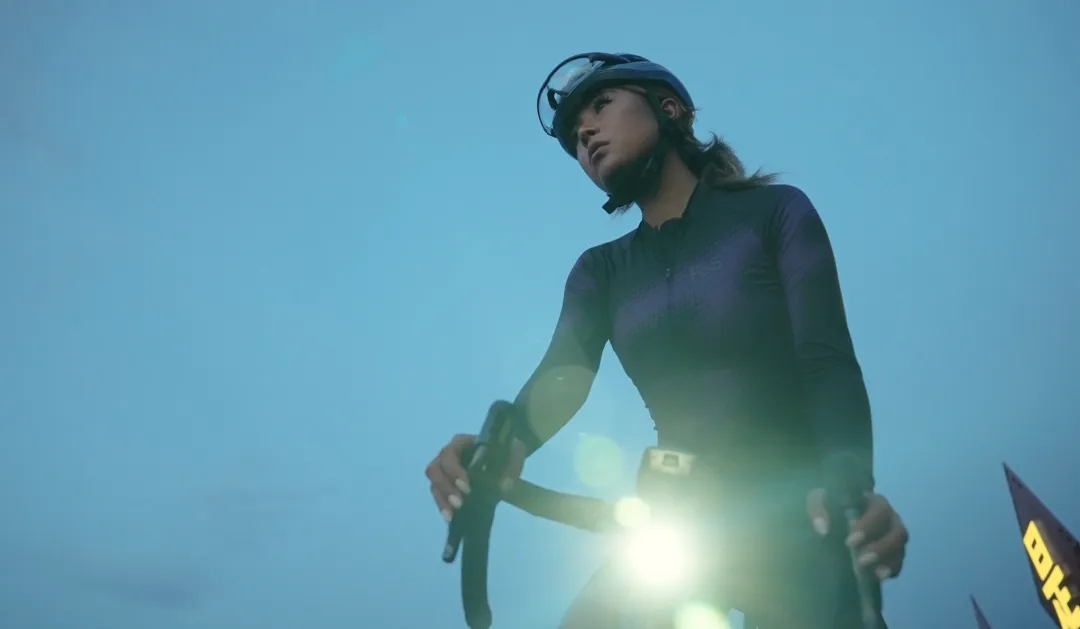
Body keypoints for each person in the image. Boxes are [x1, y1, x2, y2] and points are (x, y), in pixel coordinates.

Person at [425, 52, 910, 628]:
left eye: (601, 105)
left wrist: (849, 481)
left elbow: (826, 360)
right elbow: (563, 374)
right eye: (574, 136)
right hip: (678, 520)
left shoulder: (775, 211)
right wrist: (504, 444)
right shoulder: (601, 271)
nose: (585, 133)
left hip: (799, 508)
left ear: (669, 108)